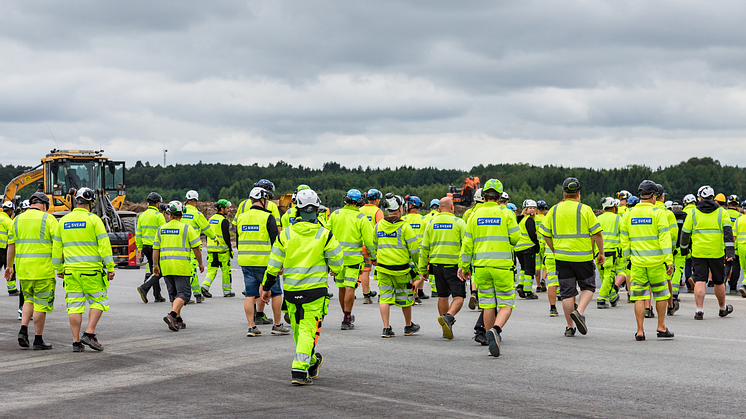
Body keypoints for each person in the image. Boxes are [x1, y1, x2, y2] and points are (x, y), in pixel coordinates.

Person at [259, 188, 344, 385]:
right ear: (317, 209)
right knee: (307, 330)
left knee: (298, 331)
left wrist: (266, 287)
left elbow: (273, 265)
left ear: (297, 209)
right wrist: (335, 270)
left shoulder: (286, 235)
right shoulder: (325, 235)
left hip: (291, 292)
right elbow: (338, 263)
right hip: (314, 293)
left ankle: (311, 361)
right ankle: (299, 369)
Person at [458, 179, 520, 357]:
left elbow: (467, 244)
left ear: (484, 196)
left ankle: (489, 338)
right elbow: (516, 238)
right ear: (500, 196)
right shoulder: (506, 213)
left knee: (487, 304)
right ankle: (496, 330)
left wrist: (464, 266)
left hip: (481, 267)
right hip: (502, 267)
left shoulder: (474, 215)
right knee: (506, 303)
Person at [52, 188, 116, 351]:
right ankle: (89, 333)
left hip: (71, 272)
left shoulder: (64, 221)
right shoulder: (94, 220)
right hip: (92, 271)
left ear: (77, 201)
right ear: (91, 203)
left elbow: (57, 247)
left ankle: (76, 342)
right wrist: (110, 267)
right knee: (98, 301)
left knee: (74, 306)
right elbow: (104, 246)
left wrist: (58, 268)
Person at [539, 177, 604, 337]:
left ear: (564, 193)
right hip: (583, 257)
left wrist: (554, 249)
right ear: (578, 194)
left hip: (562, 257)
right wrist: (600, 253)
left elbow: (545, 234)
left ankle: (569, 327)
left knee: (568, 293)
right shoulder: (585, 209)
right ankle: (579, 311)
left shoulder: (554, 210)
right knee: (588, 287)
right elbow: (597, 233)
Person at [620, 181, 674, 341]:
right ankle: (661, 326)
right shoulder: (658, 213)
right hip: (657, 263)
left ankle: (640, 330)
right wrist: (668, 260)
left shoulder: (628, 214)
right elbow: (665, 238)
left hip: (637, 263)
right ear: (653, 196)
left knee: (638, 296)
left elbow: (625, 239)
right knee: (662, 295)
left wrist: (627, 258)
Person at [5, 192, 58, 349]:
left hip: (24, 271)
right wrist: (60, 265)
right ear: (43, 205)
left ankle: (23, 329)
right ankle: (38, 340)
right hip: (43, 270)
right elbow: (58, 244)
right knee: (41, 305)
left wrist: (9, 266)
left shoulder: (16, 220)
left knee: (28, 300)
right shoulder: (48, 219)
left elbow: (11, 245)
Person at [236, 187, 287, 336]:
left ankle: (252, 327)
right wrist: (279, 264)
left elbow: (239, 240)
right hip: (265, 263)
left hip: (246, 261)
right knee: (276, 292)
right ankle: (277, 325)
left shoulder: (242, 217)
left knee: (250, 294)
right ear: (263, 200)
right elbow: (275, 242)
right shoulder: (268, 217)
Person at [680, 186, 735, 320]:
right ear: (713, 198)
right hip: (716, 253)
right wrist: (730, 252)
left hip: (699, 253)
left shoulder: (693, 213)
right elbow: (728, 234)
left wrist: (684, 249)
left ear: (699, 198)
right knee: (718, 281)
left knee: (699, 280)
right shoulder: (722, 213)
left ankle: (699, 310)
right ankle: (722, 308)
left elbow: (685, 234)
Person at [326, 189, 376, 330]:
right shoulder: (361, 218)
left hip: (337, 259)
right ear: (359, 202)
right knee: (350, 287)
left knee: (341, 287)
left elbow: (327, 235)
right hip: (353, 259)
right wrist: (373, 257)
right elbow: (369, 241)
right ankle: (347, 318)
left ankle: (345, 314)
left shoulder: (335, 214)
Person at [373, 194, 421, 338]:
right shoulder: (405, 227)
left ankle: (386, 328)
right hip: (402, 270)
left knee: (385, 298)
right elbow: (414, 251)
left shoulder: (378, 225)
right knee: (406, 297)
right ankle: (408, 326)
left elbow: (375, 245)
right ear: (400, 208)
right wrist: (415, 265)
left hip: (383, 269)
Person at [419, 197, 466, 339]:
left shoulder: (431, 223)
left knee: (442, 295)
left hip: (436, 265)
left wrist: (423, 269)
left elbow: (424, 247)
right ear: (452, 207)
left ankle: (445, 326)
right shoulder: (459, 222)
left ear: (439, 208)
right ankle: (449, 317)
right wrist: (465, 265)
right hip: (453, 265)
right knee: (459, 296)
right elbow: (466, 245)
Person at [153, 201, 204, 331]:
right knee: (184, 294)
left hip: (166, 266)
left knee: (174, 294)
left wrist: (155, 265)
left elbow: (156, 249)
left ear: (169, 214)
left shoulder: (161, 229)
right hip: (181, 266)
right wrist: (200, 263)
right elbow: (196, 248)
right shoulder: (187, 228)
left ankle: (178, 320)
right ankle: (172, 315)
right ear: (181, 214)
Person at [181, 190, 216, 303]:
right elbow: (206, 228)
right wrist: (215, 238)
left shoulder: (180, 212)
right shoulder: (197, 214)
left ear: (186, 199)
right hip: (194, 246)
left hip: (181, 246)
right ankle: (196, 295)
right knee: (191, 270)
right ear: (196, 201)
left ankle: (195, 294)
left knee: (186, 270)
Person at [136, 192, 167, 303]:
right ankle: (144, 288)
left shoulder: (142, 216)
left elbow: (138, 233)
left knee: (154, 269)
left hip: (145, 247)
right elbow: (164, 233)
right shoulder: (159, 216)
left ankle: (157, 295)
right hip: (156, 247)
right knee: (161, 270)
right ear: (157, 203)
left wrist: (139, 248)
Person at [201, 199, 235, 297]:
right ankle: (227, 292)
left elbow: (207, 234)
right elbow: (226, 236)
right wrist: (230, 248)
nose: (228, 210)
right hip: (222, 251)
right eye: (227, 208)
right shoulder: (223, 221)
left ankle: (205, 286)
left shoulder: (211, 219)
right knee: (226, 271)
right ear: (222, 208)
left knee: (212, 270)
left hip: (212, 250)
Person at [359, 189, 384, 302]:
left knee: (365, 270)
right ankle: (382, 294)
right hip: (374, 245)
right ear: (376, 199)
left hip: (362, 244)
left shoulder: (360, 210)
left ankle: (366, 296)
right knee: (379, 269)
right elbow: (381, 227)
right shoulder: (378, 211)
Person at [596, 197, 621, 309]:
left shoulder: (598, 218)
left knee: (603, 276)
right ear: (614, 207)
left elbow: (593, 235)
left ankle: (612, 296)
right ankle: (601, 299)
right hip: (612, 251)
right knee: (609, 276)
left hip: (598, 251)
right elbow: (623, 235)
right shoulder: (618, 219)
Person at [403, 195, 428, 304]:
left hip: (406, 251)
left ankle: (414, 294)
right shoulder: (423, 220)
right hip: (420, 252)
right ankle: (414, 292)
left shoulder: (403, 219)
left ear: (411, 205)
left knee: (410, 274)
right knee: (421, 274)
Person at [514, 199, 540, 300]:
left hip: (519, 248)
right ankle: (528, 292)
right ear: (525, 209)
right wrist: (536, 245)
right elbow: (532, 234)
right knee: (529, 270)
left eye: (533, 208)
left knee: (523, 268)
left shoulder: (520, 220)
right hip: (528, 248)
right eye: (530, 208)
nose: (532, 210)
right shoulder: (529, 220)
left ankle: (520, 286)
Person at [668, 200, 688, 314]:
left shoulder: (669, 216)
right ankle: (674, 293)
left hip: (670, 247)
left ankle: (668, 291)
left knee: (669, 269)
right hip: (681, 247)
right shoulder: (686, 216)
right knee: (678, 270)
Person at [724, 195, 742, 294]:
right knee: (736, 266)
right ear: (737, 205)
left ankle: (722, 283)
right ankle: (733, 288)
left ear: (728, 204)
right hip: (736, 245)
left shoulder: (724, 213)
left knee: (725, 264)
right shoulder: (740, 216)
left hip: (724, 243)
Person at [1, 201, 17, 296]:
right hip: (5, 248)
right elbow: (12, 237)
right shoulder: (9, 222)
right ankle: (12, 289)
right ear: (10, 211)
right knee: (10, 267)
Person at [682, 194, 697, 293]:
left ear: (686, 203)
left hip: (686, 241)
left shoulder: (683, 213)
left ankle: (688, 285)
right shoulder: (697, 211)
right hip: (696, 241)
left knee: (687, 264)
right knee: (696, 263)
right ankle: (694, 278)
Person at [737, 201, 746, 297]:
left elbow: (734, 236)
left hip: (741, 247)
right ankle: (744, 285)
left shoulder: (738, 220)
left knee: (744, 268)